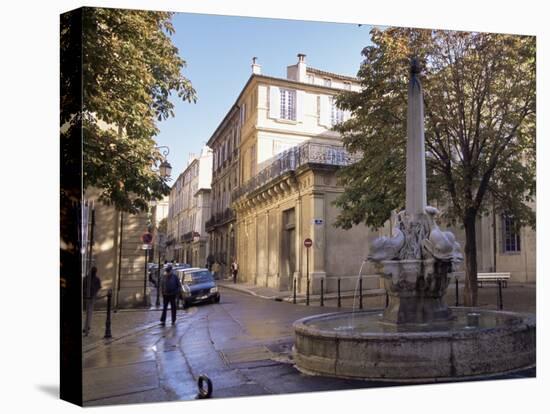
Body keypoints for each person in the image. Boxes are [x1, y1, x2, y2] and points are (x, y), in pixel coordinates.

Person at [83, 266, 101, 335]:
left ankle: (87, 326)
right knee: (89, 312)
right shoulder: (88, 278)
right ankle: (87, 326)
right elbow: (98, 287)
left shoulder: (88, 278)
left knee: (89, 312)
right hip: (88, 297)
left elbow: (98, 287)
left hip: (90, 297)